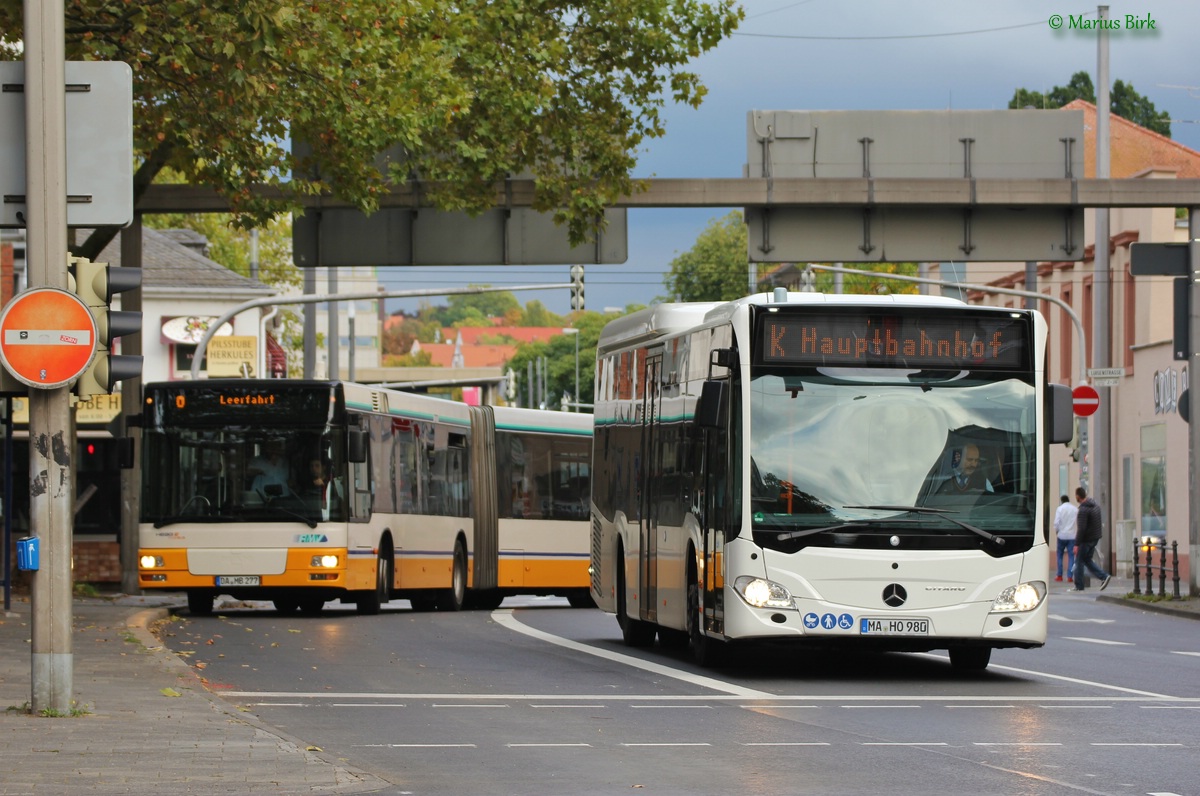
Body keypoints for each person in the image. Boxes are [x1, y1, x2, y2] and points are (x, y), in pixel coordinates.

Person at [1072, 486, 1110, 591]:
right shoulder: (1095, 506)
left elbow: (1081, 529)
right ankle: (1104, 576)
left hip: (1086, 539)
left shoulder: (1083, 510)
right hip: (1095, 538)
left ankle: (1079, 585)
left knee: (1079, 561)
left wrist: (1076, 544)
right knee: (1087, 560)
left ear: (1078, 496)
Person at [1053, 493, 1077, 582]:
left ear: (1062, 501)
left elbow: (1056, 522)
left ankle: (1059, 575)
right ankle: (1070, 576)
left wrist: (1057, 531)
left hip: (1061, 535)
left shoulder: (1060, 509)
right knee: (1071, 556)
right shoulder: (1074, 509)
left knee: (1059, 555)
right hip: (1072, 535)